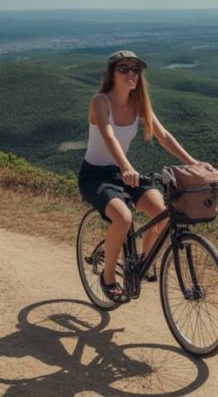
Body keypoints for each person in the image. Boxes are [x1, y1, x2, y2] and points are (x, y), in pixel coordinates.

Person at [78, 50, 202, 303]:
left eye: (135, 70)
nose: (131, 74)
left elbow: (163, 135)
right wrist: (126, 167)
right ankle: (109, 276)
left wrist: (192, 163)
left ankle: (142, 264)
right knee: (123, 218)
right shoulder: (100, 102)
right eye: (124, 68)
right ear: (112, 73)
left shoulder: (138, 104)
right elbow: (108, 136)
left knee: (165, 213)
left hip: (122, 172)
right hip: (95, 175)